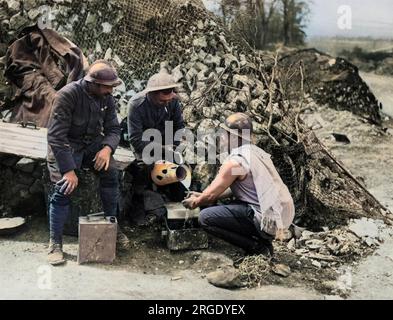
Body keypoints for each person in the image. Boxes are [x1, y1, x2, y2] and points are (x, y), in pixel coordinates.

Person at [47, 60, 129, 266]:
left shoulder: (105, 97)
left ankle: (113, 227)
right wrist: (68, 170)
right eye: (107, 86)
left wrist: (107, 149)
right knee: (64, 188)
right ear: (92, 83)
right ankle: (55, 243)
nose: (110, 91)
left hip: (91, 146)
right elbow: (56, 137)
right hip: (66, 147)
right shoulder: (67, 95)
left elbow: (114, 129)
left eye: (112, 86)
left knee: (111, 173)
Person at [182, 113, 295, 256]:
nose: (221, 135)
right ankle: (264, 243)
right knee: (218, 204)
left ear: (234, 137)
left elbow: (211, 195)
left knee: (205, 218)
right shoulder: (255, 153)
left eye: (224, 133)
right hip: (280, 215)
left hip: (266, 219)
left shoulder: (234, 163)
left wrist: (196, 201)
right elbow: (235, 184)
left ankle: (256, 247)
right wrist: (203, 196)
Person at [125, 72, 186, 225]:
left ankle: (177, 208)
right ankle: (143, 211)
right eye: (161, 101)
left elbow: (179, 126)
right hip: (144, 147)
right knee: (144, 169)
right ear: (151, 94)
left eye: (168, 100)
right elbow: (136, 140)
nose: (166, 103)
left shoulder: (171, 102)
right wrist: (162, 149)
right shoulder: (136, 105)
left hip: (166, 145)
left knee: (181, 168)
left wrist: (173, 147)